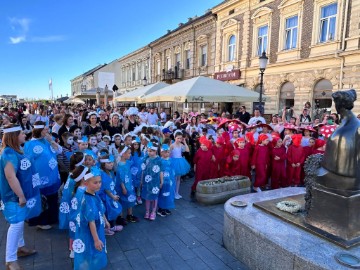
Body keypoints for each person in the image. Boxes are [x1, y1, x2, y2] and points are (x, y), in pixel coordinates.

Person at [0, 124, 41, 270]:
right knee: (16, 224)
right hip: (13, 197)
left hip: (18, 195)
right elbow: (11, 178)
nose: (25, 135)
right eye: (22, 133)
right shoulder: (9, 154)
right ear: (14, 136)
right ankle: (10, 260)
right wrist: (21, 196)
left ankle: (20, 247)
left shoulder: (16, 150)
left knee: (20, 221)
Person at [24, 121, 62, 230]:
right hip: (40, 178)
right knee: (42, 199)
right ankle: (40, 221)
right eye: (45, 129)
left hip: (53, 176)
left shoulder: (47, 141)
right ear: (40, 131)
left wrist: (52, 141)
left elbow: (59, 151)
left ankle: (51, 218)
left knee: (52, 198)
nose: (48, 131)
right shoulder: (29, 144)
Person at [73, 167, 109, 270]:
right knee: (91, 250)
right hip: (90, 233)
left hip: (97, 228)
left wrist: (105, 220)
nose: (99, 185)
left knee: (95, 251)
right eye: (95, 183)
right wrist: (96, 240)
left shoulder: (94, 194)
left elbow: (100, 209)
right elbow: (91, 222)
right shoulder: (88, 201)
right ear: (86, 184)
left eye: (100, 182)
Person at [98, 155, 123, 235]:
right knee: (108, 211)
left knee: (111, 210)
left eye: (112, 162)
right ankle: (107, 228)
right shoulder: (103, 174)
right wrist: (113, 196)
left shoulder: (109, 172)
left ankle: (110, 226)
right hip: (105, 197)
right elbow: (106, 189)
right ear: (103, 164)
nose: (111, 164)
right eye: (109, 163)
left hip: (109, 196)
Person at [116, 144, 139, 223]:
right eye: (129, 153)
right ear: (123, 154)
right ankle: (120, 217)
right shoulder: (120, 166)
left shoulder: (127, 162)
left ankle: (130, 215)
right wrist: (123, 188)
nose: (130, 154)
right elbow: (120, 178)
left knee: (131, 198)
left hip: (129, 185)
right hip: (124, 187)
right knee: (122, 200)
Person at [141, 142, 163, 221]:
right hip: (147, 182)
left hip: (155, 182)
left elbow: (161, 171)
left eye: (151, 151)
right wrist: (141, 180)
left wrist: (161, 181)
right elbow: (143, 170)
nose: (149, 152)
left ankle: (153, 211)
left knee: (154, 197)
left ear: (155, 151)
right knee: (147, 197)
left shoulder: (159, 160)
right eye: (148, 151)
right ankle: (147, 211)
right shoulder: (146, 159)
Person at [170, 131, 190, 199]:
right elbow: (169, 154)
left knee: (178, 178)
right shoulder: (172, 145)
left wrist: (184, 142)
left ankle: (177, 192)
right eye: (178, 138)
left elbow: (187, 150)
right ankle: (173, 192)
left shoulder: (181, 145)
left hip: (180, 161)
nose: (179, 140)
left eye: (180, 138)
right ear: (175, 138)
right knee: (174, 178)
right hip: (174, 162)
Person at [157, 144, 175, 216]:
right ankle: (160, 208)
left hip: (169, 181)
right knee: (162, 194)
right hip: (163, 180)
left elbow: (172, 170)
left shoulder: (170, 160)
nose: (167, 153)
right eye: (165, 152)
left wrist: (172, 179)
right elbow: (160, 171)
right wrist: (161, 181)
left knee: (168, 193)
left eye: (168, 152)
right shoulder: (160, 161)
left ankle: (166, 207)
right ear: (161, 153)